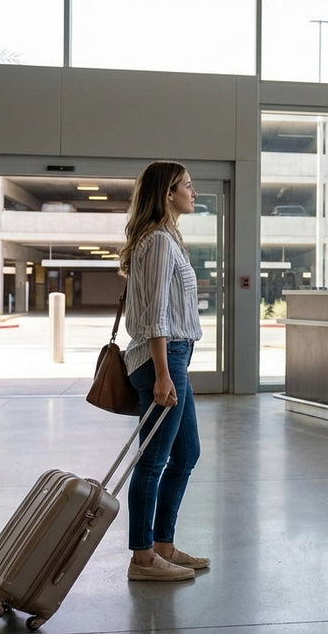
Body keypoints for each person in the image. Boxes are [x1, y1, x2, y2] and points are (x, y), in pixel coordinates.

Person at [119, 161, 209, 582]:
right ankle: (142, 557)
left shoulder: (167, 237)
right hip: (163, 357)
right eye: (188, 187)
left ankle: (163, 545)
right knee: (153, 460)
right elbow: (156, 314)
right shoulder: (157, 241)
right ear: (168, 193)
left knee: (186, 453)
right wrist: (162, 373)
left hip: (174, 356)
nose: (195, 193)